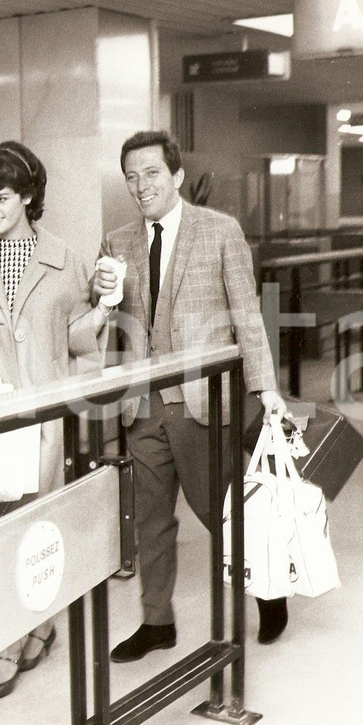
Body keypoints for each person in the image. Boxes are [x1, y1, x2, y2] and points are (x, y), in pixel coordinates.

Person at [92, 130, 287, 660]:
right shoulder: (116, 242)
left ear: (176, 176)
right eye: (131, 176)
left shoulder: (220, 231)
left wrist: (265, 389)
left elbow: (247, 315)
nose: (141, 185)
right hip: (143, 405)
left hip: (201, 401)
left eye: (151, 172)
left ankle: (268, 591)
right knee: (150, 521)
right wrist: (102, 301)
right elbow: (111, 327)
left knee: (221, 513)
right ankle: (158, 622)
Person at [0, 141, 112, 701]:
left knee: (39, 525)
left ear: (29, 196)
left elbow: (81, 339)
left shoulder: (65, 260)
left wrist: (104, 307)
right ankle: (9, 642)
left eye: (2, 198)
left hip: (45, 419)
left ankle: (38, 624)